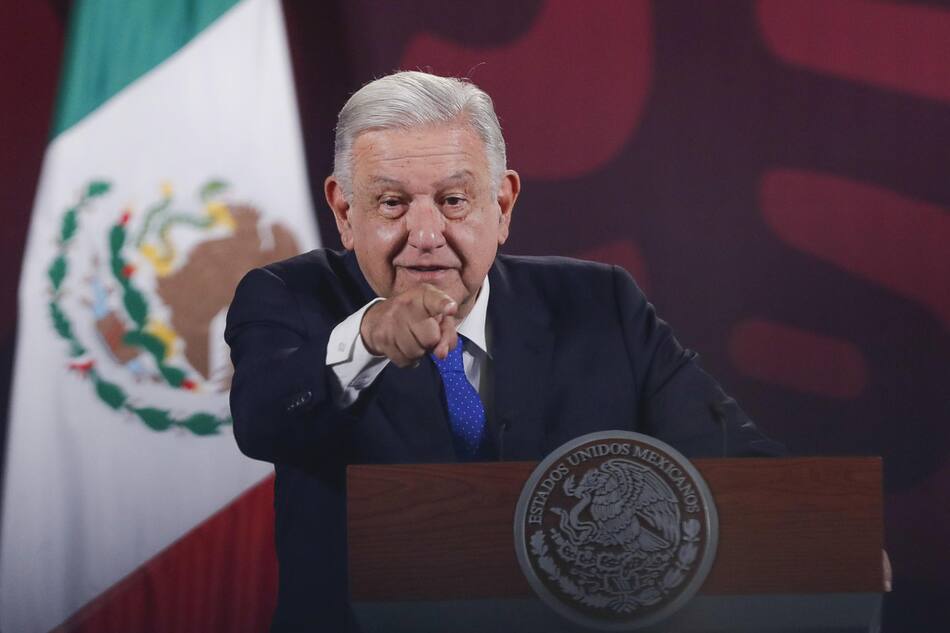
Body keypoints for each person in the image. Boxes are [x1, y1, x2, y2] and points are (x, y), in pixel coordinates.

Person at [225, 70, 784, 632]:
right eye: (392, 203)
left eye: (453, 200)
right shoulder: (287, 297)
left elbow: (744, 467)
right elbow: (261, 419)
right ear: (345, 213)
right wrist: (367, 338)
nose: (426, 235)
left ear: (503, 204)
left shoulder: (600, 304)